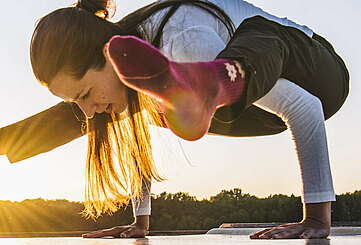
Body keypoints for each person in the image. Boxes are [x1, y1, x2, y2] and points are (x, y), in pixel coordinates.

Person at [0, 0, 349, 240]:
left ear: (107, 57)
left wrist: (317, 219)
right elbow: (132, 134)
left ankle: (211, 82)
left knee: (263, 35)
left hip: (318, 72)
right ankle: (206, 90)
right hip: (244, 106)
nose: (88, 109)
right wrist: (141, 221)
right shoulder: (130, 67)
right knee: (91, 112)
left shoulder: (183, 41)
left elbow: (306, 106)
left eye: (84, 93)